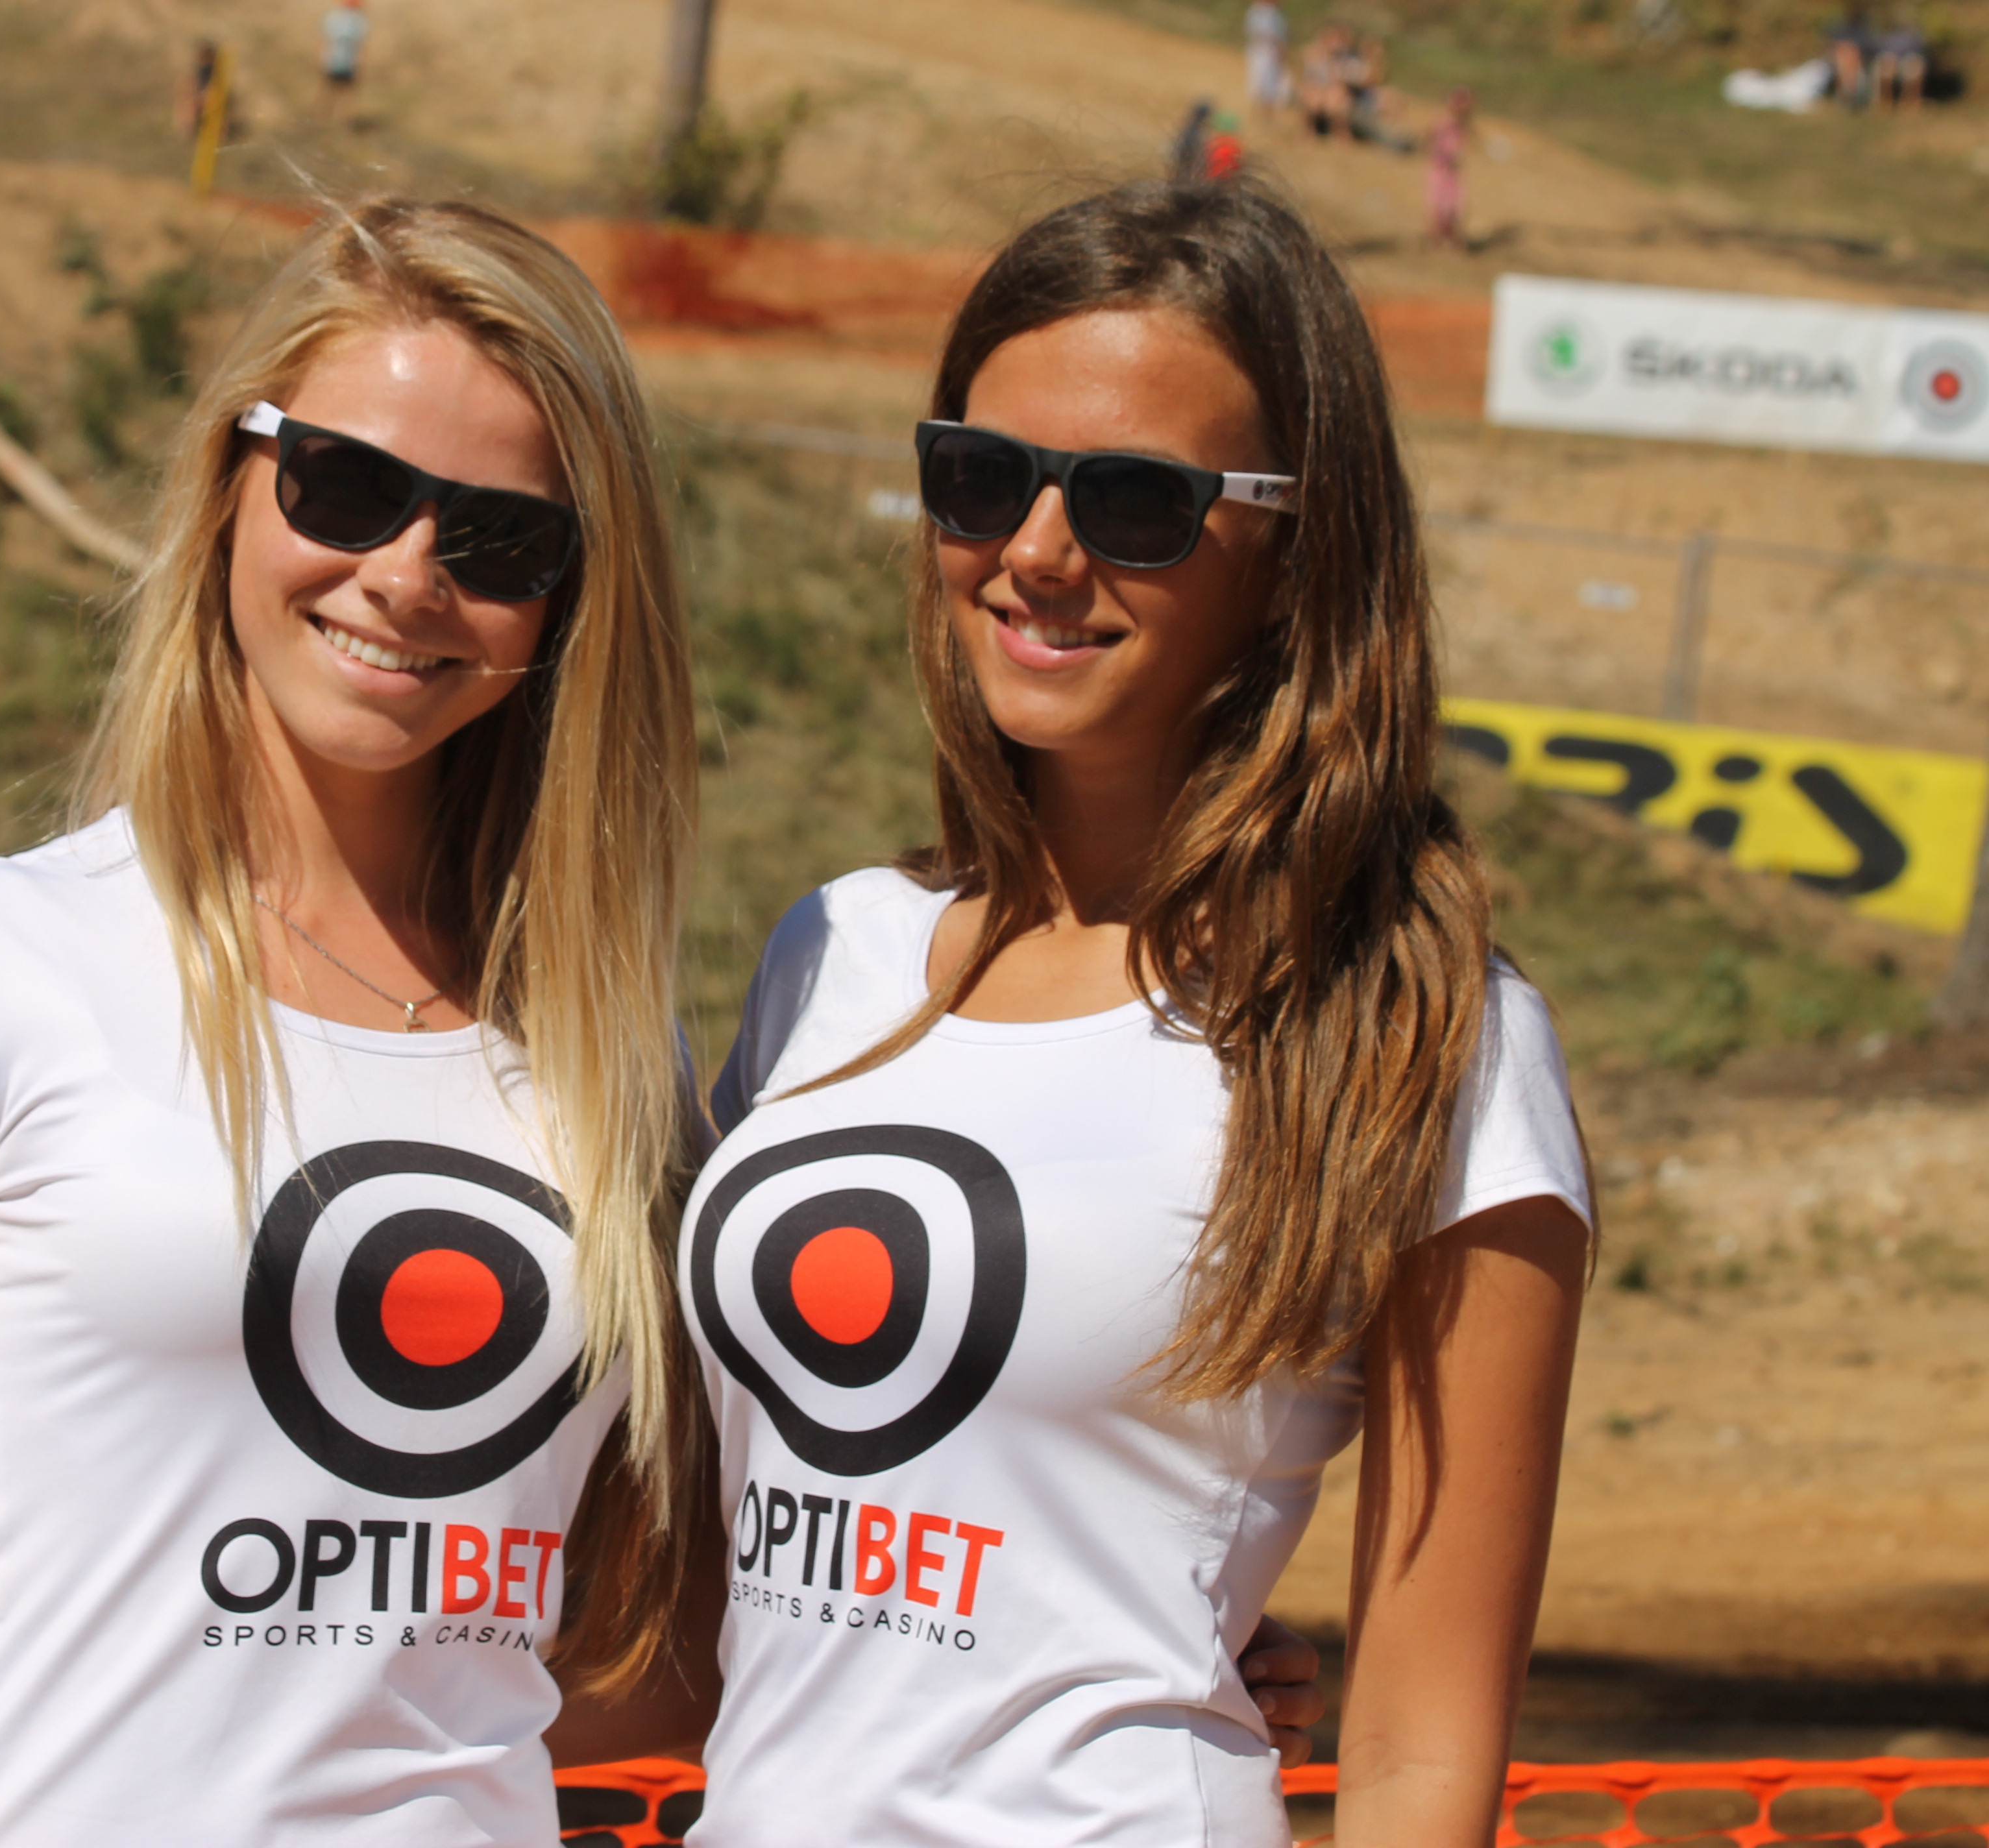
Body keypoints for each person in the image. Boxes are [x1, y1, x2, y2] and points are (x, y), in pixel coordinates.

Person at [0, 197, 715, 1847]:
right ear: (228, 480)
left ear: (568, 603)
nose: (403, 574)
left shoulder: (614, 1051)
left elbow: (654, 1625)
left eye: (498, 540)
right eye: (346, 485)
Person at [679, 179, 1590, 1848]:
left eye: (1135, 501)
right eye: (981, 475)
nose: (1036, 549)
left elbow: (1419, 1748)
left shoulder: (1418, 1024)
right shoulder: (835, 951)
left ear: (1296, 550)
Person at [1428, 86, 1474, 249]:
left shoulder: (1459, 125)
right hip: (1442, 170)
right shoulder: (1444, 122)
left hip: (1452, 171)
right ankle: (1439, 238)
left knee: (1456, 205)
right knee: (1442, 205)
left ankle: (1450, 237)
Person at [1872, 8, 1927, 110]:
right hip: (1890, 61)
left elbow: (1920, 50)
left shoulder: (1914, 35)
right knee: (1887, 64)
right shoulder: (1885, 33)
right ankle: (1886, 102)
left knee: (1914, 65)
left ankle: (1909, 103)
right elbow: (1878, 50)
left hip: (1908, 61)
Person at [1245, 0, 1290, 116]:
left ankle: (1267, 111)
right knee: (1258, 81)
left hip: (1272, 52)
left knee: (1271, 82)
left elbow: (1281, 36)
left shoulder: (1276, 15)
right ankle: (1256, 110)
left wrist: (1281, 49)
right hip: (1261, 51)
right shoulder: (1257, 12)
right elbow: (1254, 32)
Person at [323, 0, 369, 93]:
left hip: (350, 65)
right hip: (333, 62)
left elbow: (362, 44)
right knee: (330, 90)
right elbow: (326, 40)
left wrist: (360, 63)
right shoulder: (335, 17)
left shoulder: (360, 20)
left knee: (347, 92)